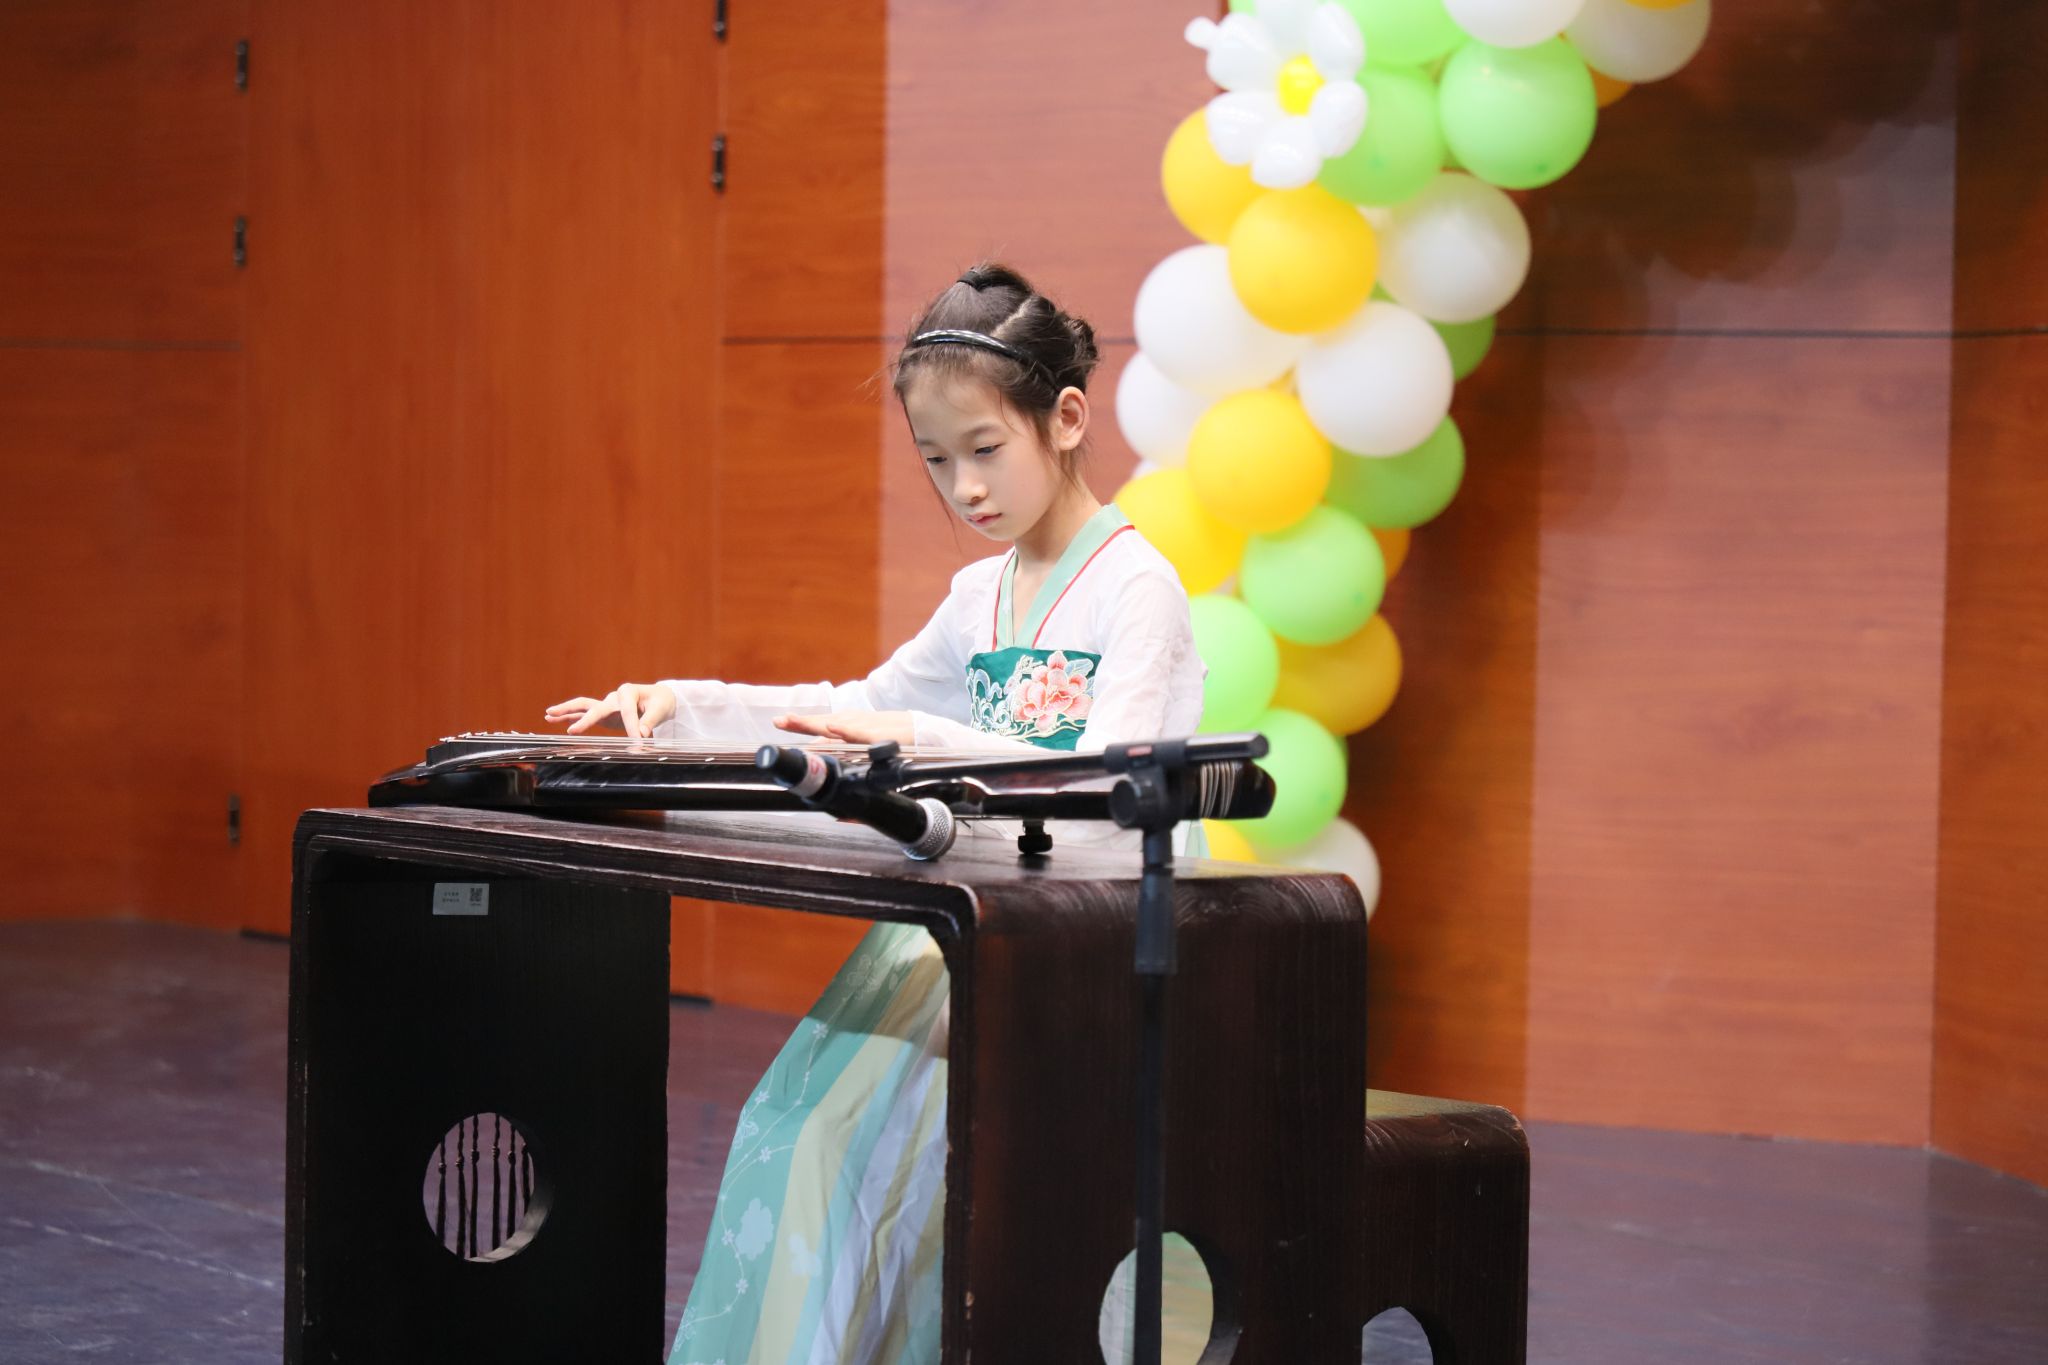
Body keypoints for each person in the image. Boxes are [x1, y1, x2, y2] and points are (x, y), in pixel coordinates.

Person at [544, 263, 1206, 1364]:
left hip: (1089, 938)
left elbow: (1110, 784)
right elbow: (860, 705)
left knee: (921, 1176)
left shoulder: (1138, 587)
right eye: (937, 461)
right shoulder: (979, 595)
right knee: (798, 1133)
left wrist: (925, 741)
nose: (965, 488)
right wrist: (686, 701)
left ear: (1065, 418)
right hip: (974, 912)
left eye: (984, 449)